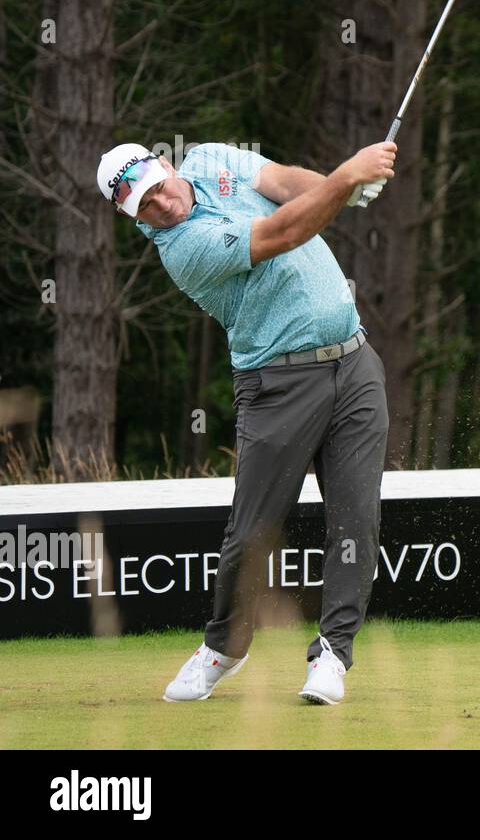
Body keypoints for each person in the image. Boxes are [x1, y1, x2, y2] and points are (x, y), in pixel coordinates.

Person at [95, 139, 396, 705]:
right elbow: (281, 233)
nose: (160, 204)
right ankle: (224, 648)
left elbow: (285, 183)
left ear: (164, 164)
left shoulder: (209, 159)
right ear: (127, 214)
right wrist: (344, 179)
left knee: (357, 520)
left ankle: (333, 653)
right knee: (253, 530)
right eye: (143, 206)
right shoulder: (181, 249)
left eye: (157, 188)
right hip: (276, 385)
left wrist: (343, 188)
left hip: (354, 364)